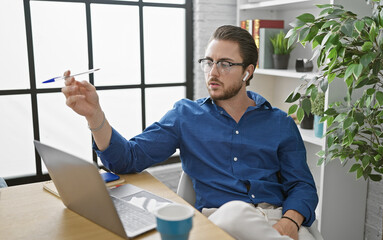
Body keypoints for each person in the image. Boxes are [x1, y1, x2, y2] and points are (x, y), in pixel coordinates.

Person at [62, 25, 318, 240]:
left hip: (278, 222)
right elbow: (127, 159)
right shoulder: (185, 116)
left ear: (247, 72)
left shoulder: (280, 122)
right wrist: (94, 115)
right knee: (236, 212)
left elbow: (302, 185)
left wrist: (290, 222)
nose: (213, 72)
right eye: (209, 62)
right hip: (220, 223)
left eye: (225, 64)